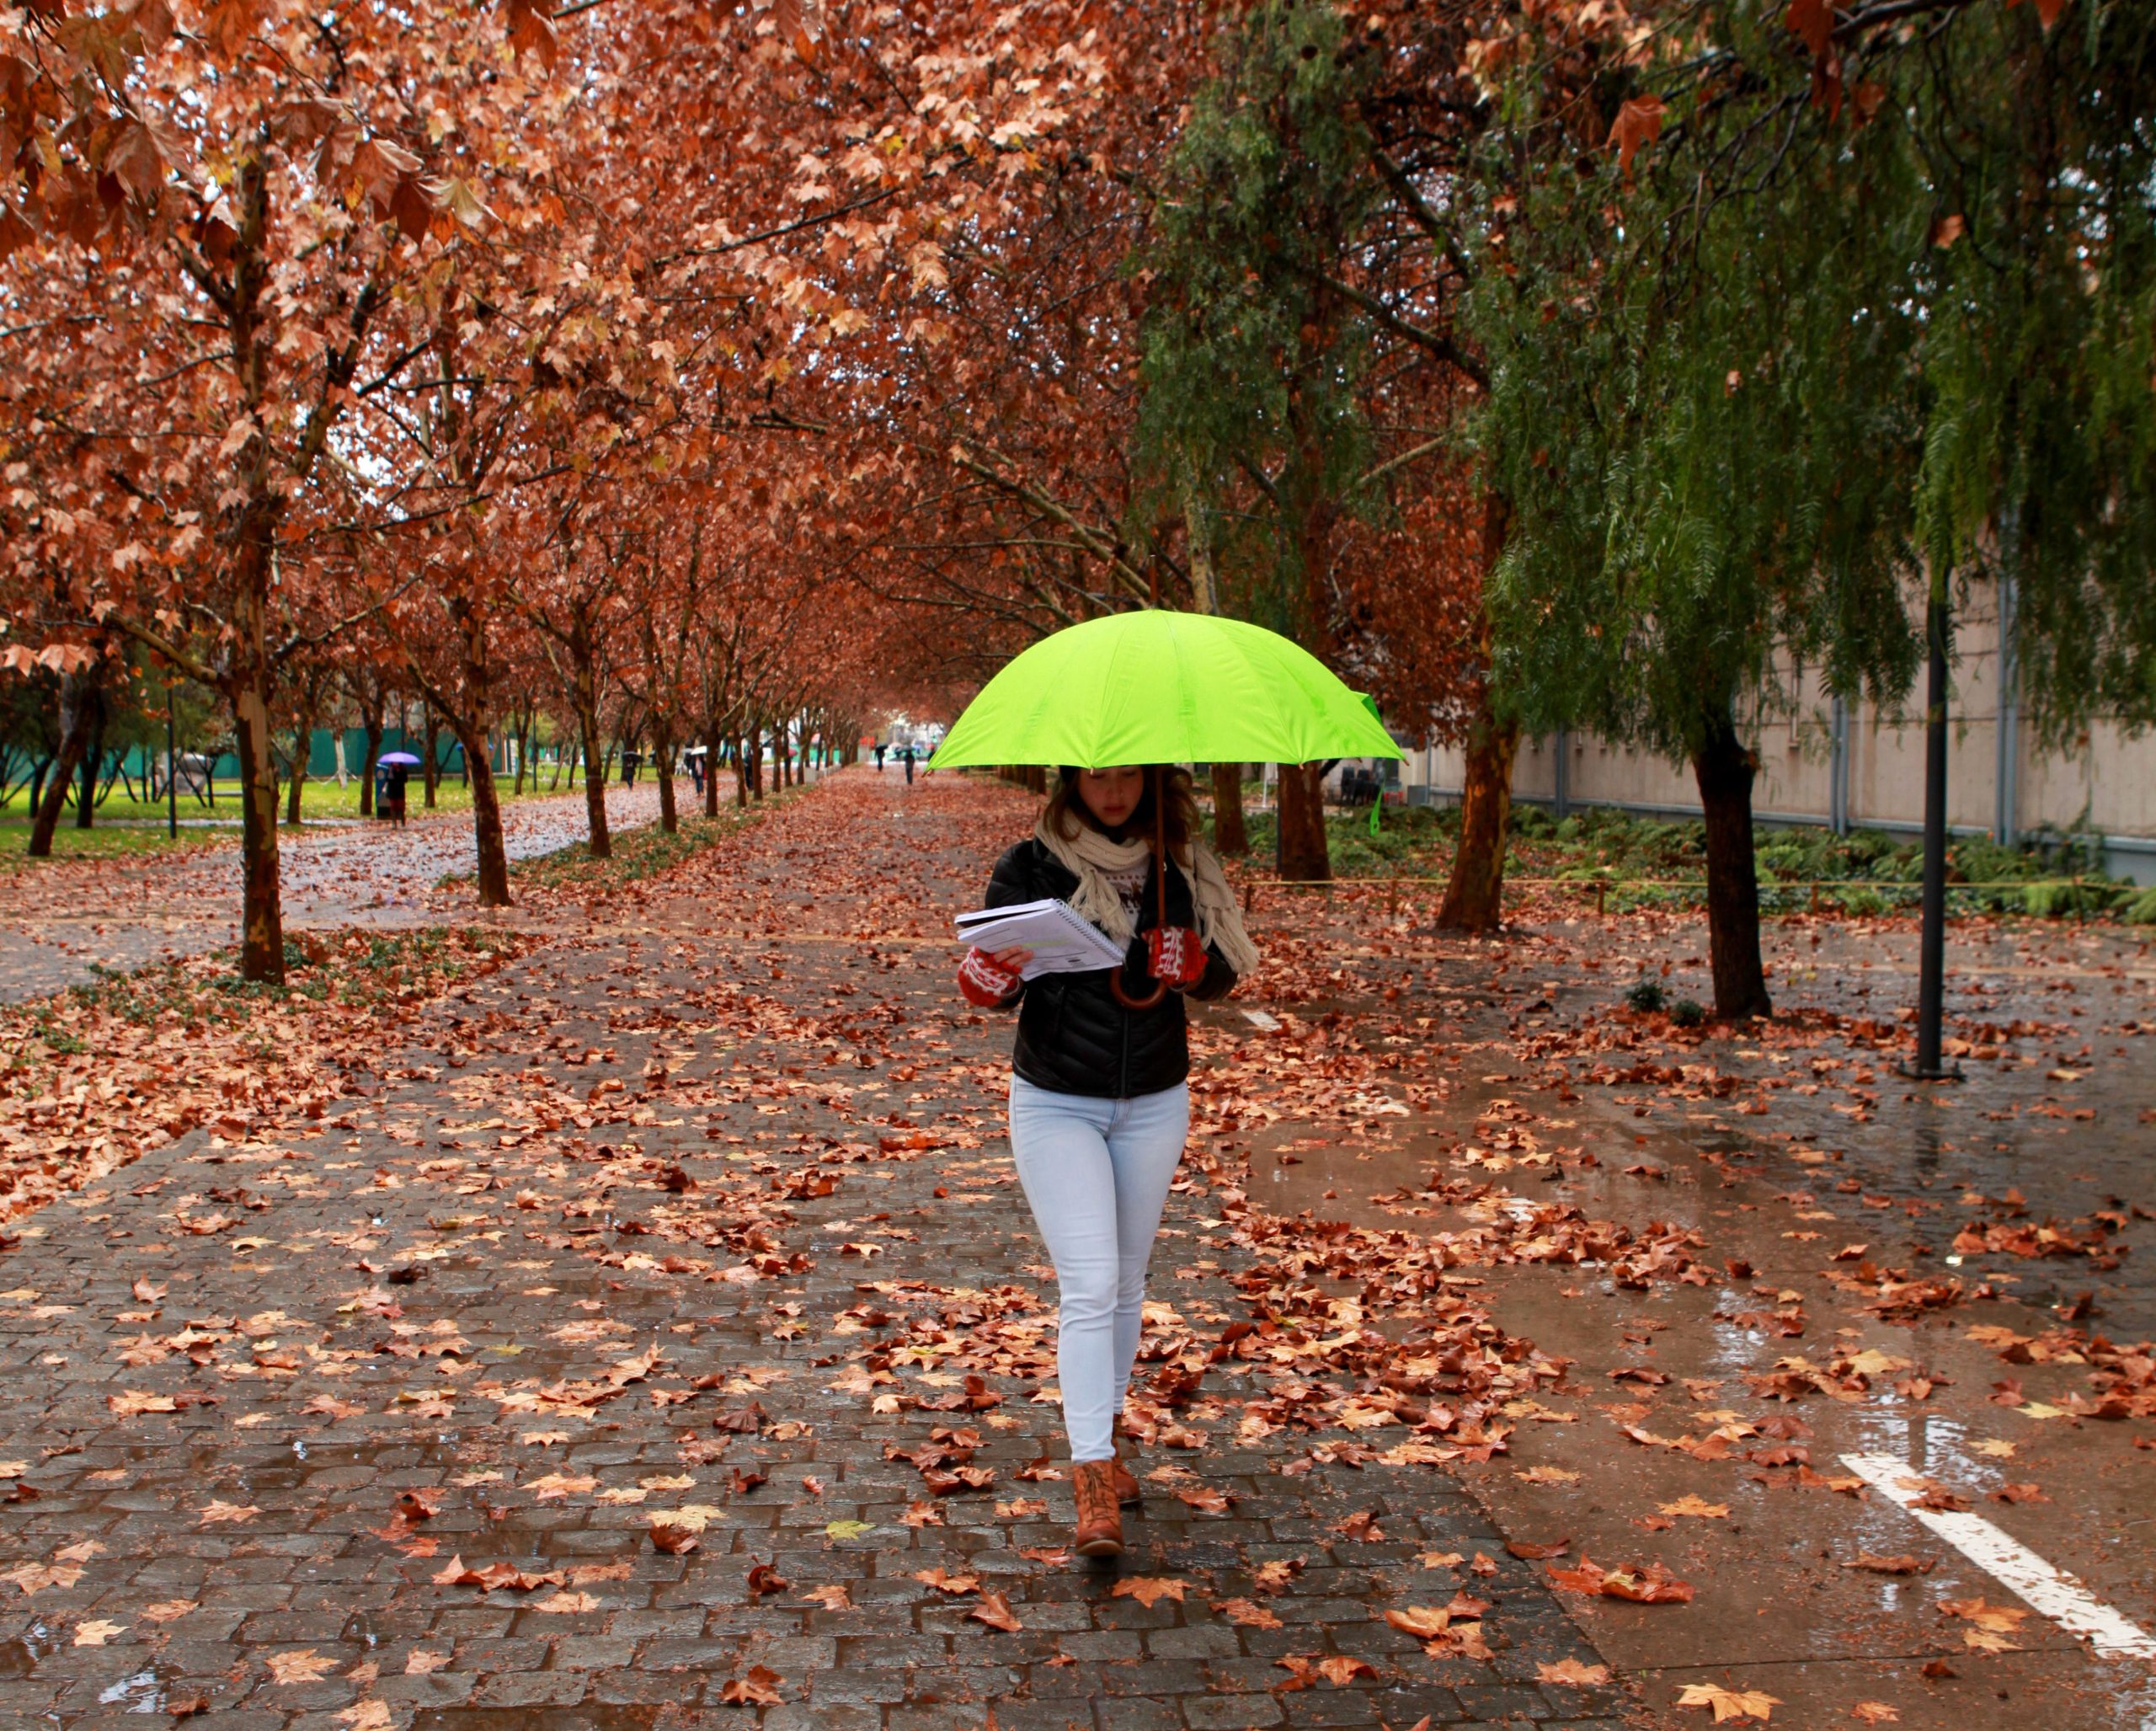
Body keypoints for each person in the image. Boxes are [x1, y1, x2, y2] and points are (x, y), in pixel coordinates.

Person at [956, 765, 1260, 1557]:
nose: (1113, 790)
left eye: (1129, 774)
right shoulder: (1031, 864)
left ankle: (1109, 1432)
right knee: (1089, 1283)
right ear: (1069, 781)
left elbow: (1218, 974)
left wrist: (1191, 964)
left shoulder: (1179, 863)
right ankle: (1092, 1479)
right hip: (1057, 1097)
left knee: (1126, 1279)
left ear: (1153, 778)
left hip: (1156, 1096)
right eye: (1096, 775)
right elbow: (992, 976)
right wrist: (984, 981)